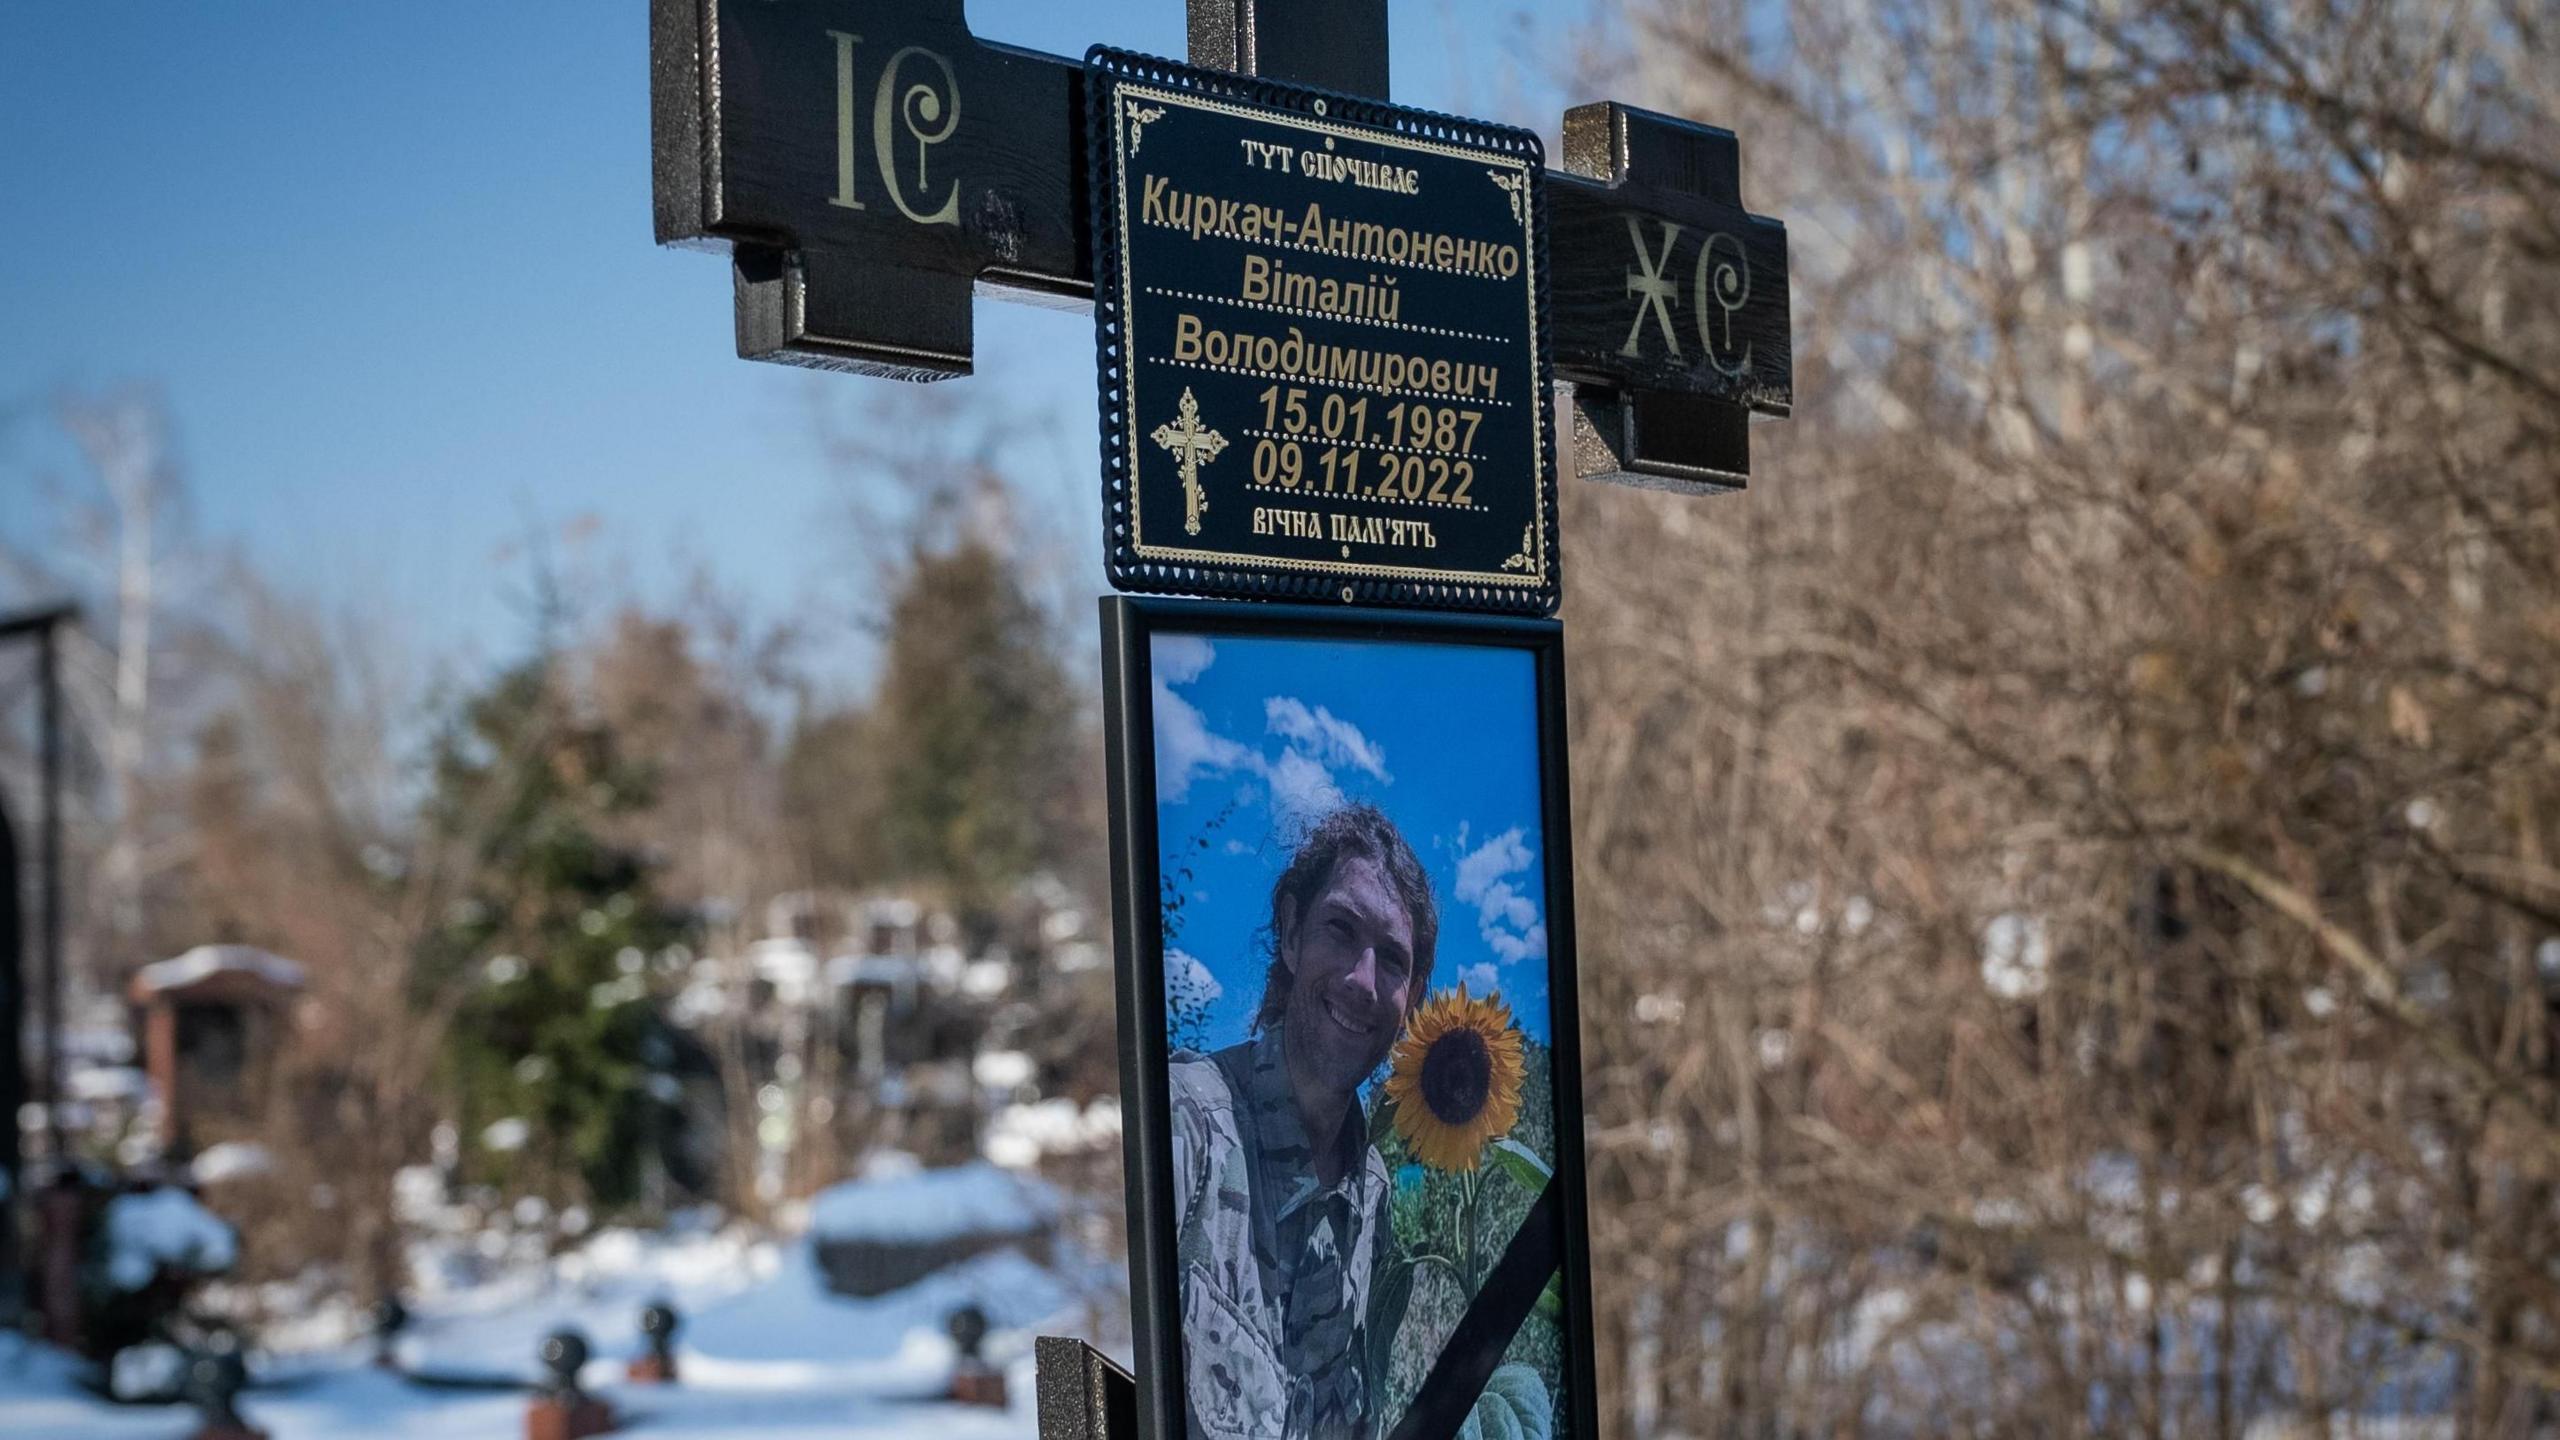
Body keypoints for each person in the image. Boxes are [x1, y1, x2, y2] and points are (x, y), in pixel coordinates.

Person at [1167, 803, 1440, 1440]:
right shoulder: (1189, 1125)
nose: (1362, 981)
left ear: (1411, 1001)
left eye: (1392, 960)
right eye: (1340, 929)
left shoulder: (1374, 1201)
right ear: (1291, 934)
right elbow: (1077, 1368)